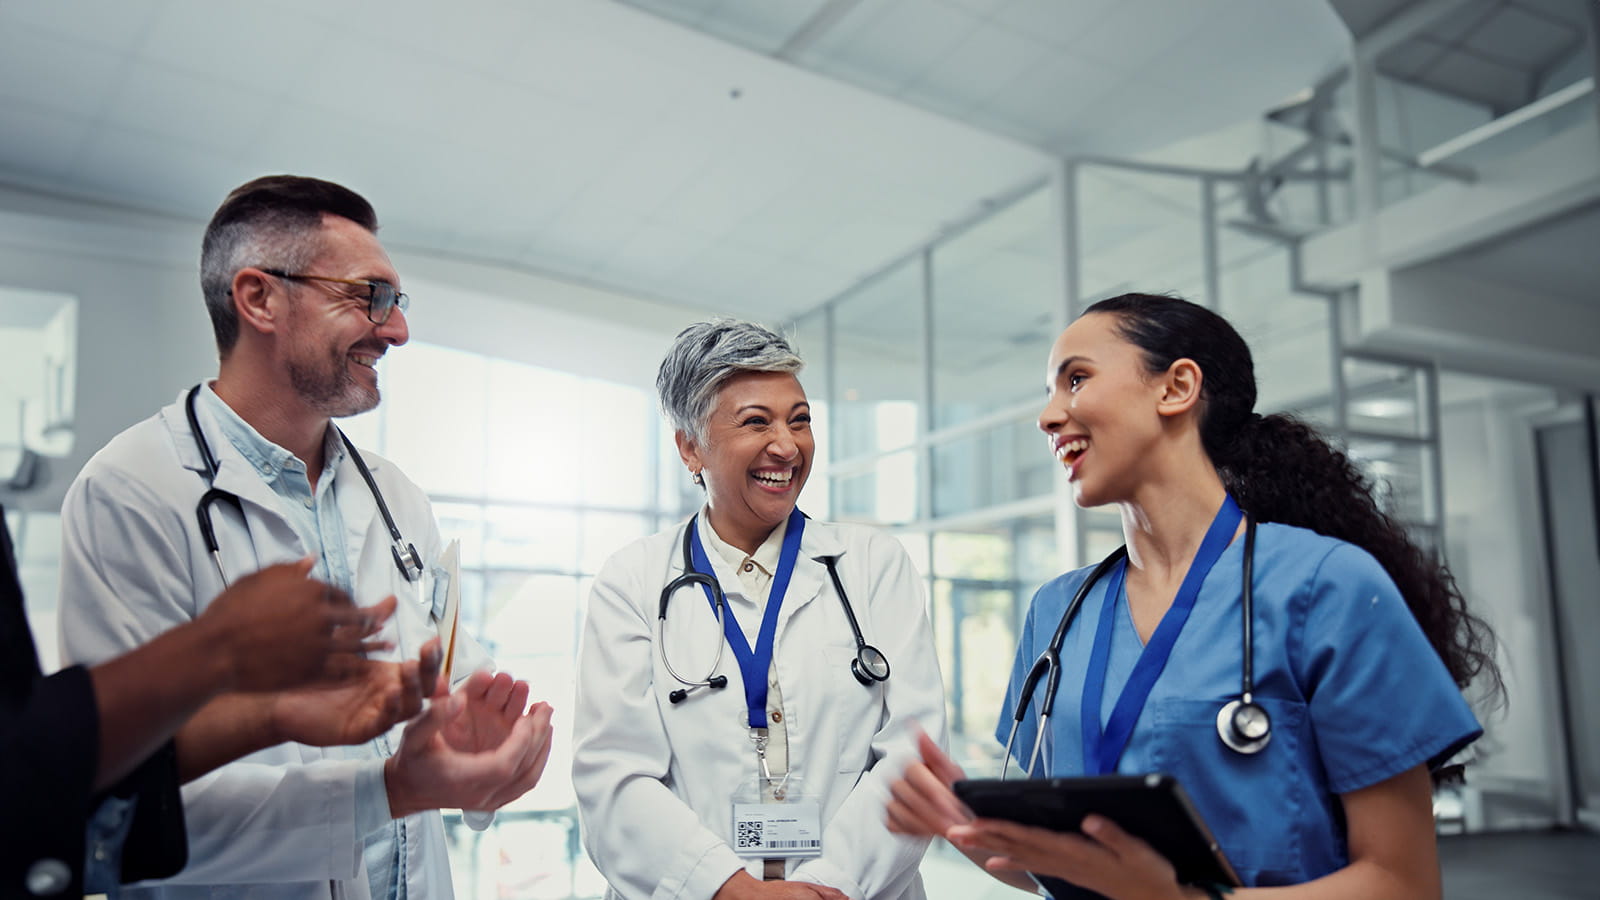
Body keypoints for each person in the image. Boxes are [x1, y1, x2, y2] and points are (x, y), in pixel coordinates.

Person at [885, 293, 1500, 899]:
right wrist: (972, 832)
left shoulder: (1327, 585)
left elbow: (1402, 882)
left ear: (1176, 387)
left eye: (1075, 380)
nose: (1048, 416)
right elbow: (1067, 865)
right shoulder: (1057, 611)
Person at [56, 175, 554, 899]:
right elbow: (126, 811)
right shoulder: (132, 493)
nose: (398, 330)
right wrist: (384, 791)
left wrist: (476, 747)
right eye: (369, 296)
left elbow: (443, 674)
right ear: (259, 298)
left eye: (398, 302)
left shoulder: (396, 497)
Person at [573, 319, 948, 900]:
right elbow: (615, 778)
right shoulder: (633, 581)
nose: (787, 445)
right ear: (690, 446)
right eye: (757, 422)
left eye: (800, 420)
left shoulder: (873, 565)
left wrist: (828, 886)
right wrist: (731, 890)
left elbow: (912, 757)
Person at [2, 502, 443, 897]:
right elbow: (43, 773)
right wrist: (221, 647)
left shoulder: (395, 493)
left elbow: (64, 764)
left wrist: (270, 714)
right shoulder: (122, 491)